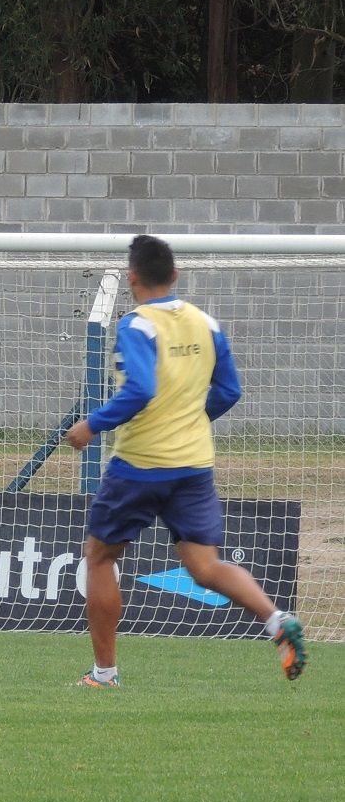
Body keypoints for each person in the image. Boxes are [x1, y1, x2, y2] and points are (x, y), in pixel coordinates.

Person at [65, 234, 306, 687]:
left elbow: (139, 390)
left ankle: (104, 674)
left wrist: (92, 424)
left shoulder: (137, 326)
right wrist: (192, 421)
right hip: (194, 465)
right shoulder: (207, 324)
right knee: (205, 566)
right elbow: (230, 391)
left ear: (132, 279)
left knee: (99, 557)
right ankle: (277, 621)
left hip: (140, 463)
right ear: (175, 276)